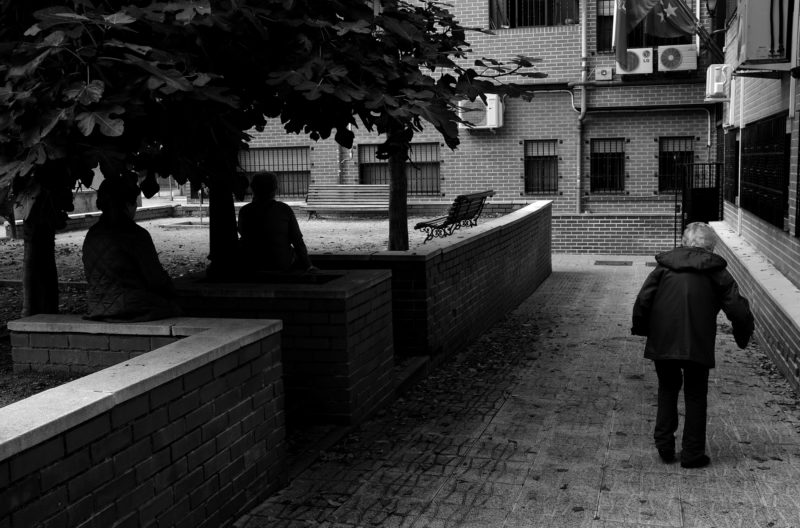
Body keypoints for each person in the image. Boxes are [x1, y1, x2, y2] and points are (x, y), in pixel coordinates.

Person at [632, 222, 754, 468]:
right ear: (710, 248)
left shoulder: (664, 268)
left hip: (664, 340)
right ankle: (692, 454)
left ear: (685, 242)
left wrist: (644, 329)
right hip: (698, 342)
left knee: (667, 389)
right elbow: (739, 310)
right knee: (696, 395)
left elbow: (643, 299)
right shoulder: (717, 272)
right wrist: (743, 336)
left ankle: (665, 444)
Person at [82, 176, 181, 322]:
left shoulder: (92, 234)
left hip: (97, 308)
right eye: (135, 203)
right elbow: (155, 279)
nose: (136, 208)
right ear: (128, 204)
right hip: (132, 308)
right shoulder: (135, 235)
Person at [237, 171, 315, 273]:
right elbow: (297, 240)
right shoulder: (284, 209)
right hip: (281, 264)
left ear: (253, 188)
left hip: (252, 264)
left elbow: (244, 234)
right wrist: (308, 266)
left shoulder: (245, 211)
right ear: (274, 189)